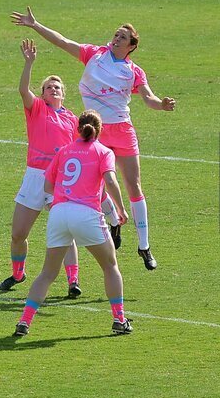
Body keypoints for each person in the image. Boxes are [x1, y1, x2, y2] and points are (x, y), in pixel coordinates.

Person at [10, 7, 176, 271]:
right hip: (95, 131)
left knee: (133, 186)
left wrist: (162, 105)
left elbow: (147, 97)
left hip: (122, 130)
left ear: (131, 46)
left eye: (122, 38)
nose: (115, 39)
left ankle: (144, 246)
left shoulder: (134, 71)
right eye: (115, 35)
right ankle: (113, 222)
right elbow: (63, 42)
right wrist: (36, 25)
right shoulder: (94, 54)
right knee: (97, 185)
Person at [13, 110, 132, 337]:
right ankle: (119, 319)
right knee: (110, 266)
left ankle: (24, 322)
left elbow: (47, 186)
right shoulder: (103, 151)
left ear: (77, 128)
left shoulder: (64, 151)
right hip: (86, 214)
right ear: (99, 130)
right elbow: (109, 180)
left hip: (58, 213)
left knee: (47, 273)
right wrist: (120, 208)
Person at [0, 39, 82, 297]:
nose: (53, 89)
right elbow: (23, 90)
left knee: (65, 231)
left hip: (60, 179)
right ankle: (18, 274)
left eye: (57, 87)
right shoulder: (37, 109)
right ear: (42, 93)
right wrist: (29, 63)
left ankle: (73, 281)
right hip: (34, 176)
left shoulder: (72, 119)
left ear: (63, 94)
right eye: (48, 87)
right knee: (18, 233)